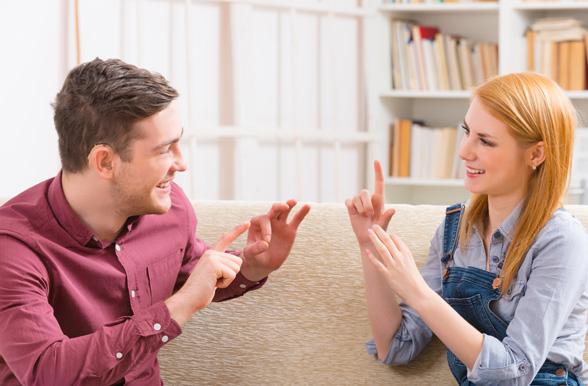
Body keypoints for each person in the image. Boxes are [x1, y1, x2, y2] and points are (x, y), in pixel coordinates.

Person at [0, 58, 310, 385]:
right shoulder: (13, 248)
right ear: (105, 162)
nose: (182, 163)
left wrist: (251, 267)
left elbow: (191, 275)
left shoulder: (171, 208)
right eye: (165, 150)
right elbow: (47, 372)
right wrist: (179, 307)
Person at [346, 72, 588, 385]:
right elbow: (396, 346)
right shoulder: (456, 231)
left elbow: (514, 373)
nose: (464, 151)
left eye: (485, 141)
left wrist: (419, 294)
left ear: (536, 154)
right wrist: (370, 244)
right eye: (467, 131)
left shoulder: (560, 240)